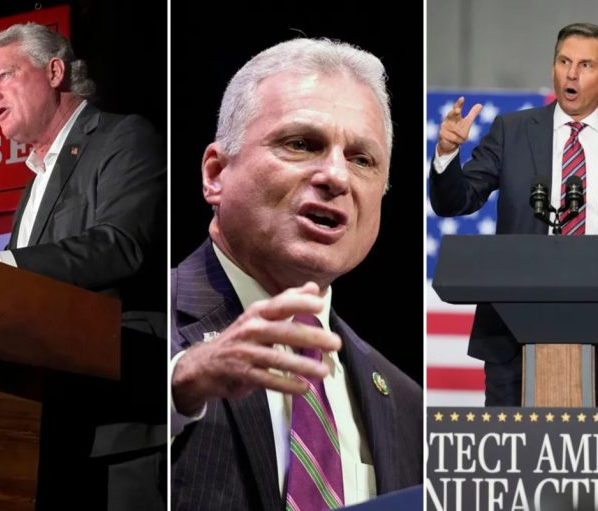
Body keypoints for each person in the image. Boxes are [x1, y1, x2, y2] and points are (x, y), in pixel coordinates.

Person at [170, 38, 423, 510]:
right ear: (215, 173)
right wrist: (178, 386)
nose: (336, 177)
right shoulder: (137, 323)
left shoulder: (409, 405)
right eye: (302, 144)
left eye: (362, 159)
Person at [0, 23, 166, 510]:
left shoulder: (124, 136)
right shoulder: (33, 182)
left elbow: (121, 245)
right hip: (49, 424)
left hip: (121, 414)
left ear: (54, 71)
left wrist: (2, 265)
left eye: (4, 76)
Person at [429, 22, 598, 407]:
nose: (571, 74)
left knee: (591, 463)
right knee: (509, 461)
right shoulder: (512, 131)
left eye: (586, 65)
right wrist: (445, 154)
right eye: (563, 61)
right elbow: (456, 201)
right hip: (512, 333)